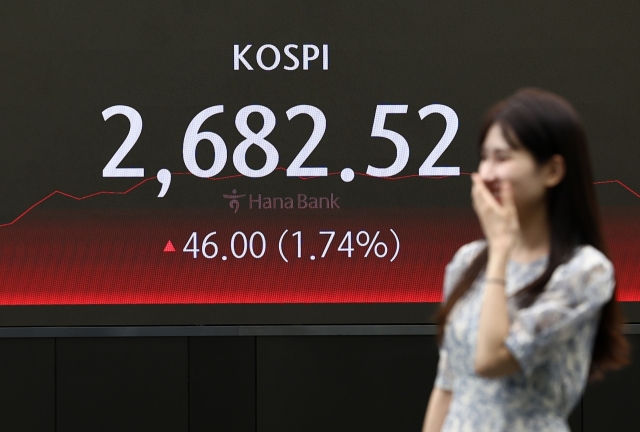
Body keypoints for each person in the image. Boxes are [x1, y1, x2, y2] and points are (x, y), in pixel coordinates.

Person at [422, 88, 630, 432]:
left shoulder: (584, 272)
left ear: (552, 171)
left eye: (503, 158)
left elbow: (491, 359)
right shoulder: (467, 261)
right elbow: (447, 385)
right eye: (484, 157)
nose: (487, 173)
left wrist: (500, 250)